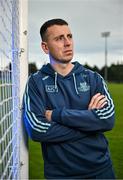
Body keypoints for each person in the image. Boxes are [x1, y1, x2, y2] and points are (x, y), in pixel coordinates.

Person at [23, 18, 116, 179]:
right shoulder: (36, 82)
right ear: (45, 47)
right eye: (59, 38)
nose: (67, 43)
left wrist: (57, 115)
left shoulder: (93, 78)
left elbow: (107, 120)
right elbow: (37, 130)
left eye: (69, 36)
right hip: (60, 175)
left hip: (101, 171)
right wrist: (90, 122)